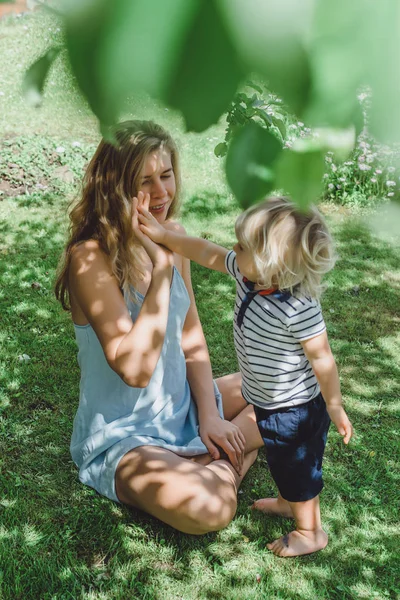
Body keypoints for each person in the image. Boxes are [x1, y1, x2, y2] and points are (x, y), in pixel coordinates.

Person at [55, 120, 262, 535]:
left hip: (180, 405)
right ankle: (234, 455)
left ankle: (218, 447)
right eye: (145, 182)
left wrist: (208, 415)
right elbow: (134, 369)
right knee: (210, 509)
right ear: (117, 187)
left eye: (166, 175)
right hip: (126, 437)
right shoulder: (89, 259)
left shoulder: (175, 236)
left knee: (293, 390)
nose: (162, 193)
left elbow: (191, 338)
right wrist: (162, 271)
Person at [137, 194, 353, 557]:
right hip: (265, 398)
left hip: (295, 408)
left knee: (298, 467)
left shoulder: (299, 307)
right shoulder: (249, 272)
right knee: (283, 462)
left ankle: (310, 530)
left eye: (242, 245)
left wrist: (335, 407)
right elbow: (206, 251)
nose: (233, 250)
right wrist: (166, 237)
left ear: (272, 262)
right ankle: (287, 501)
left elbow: (324, 361)